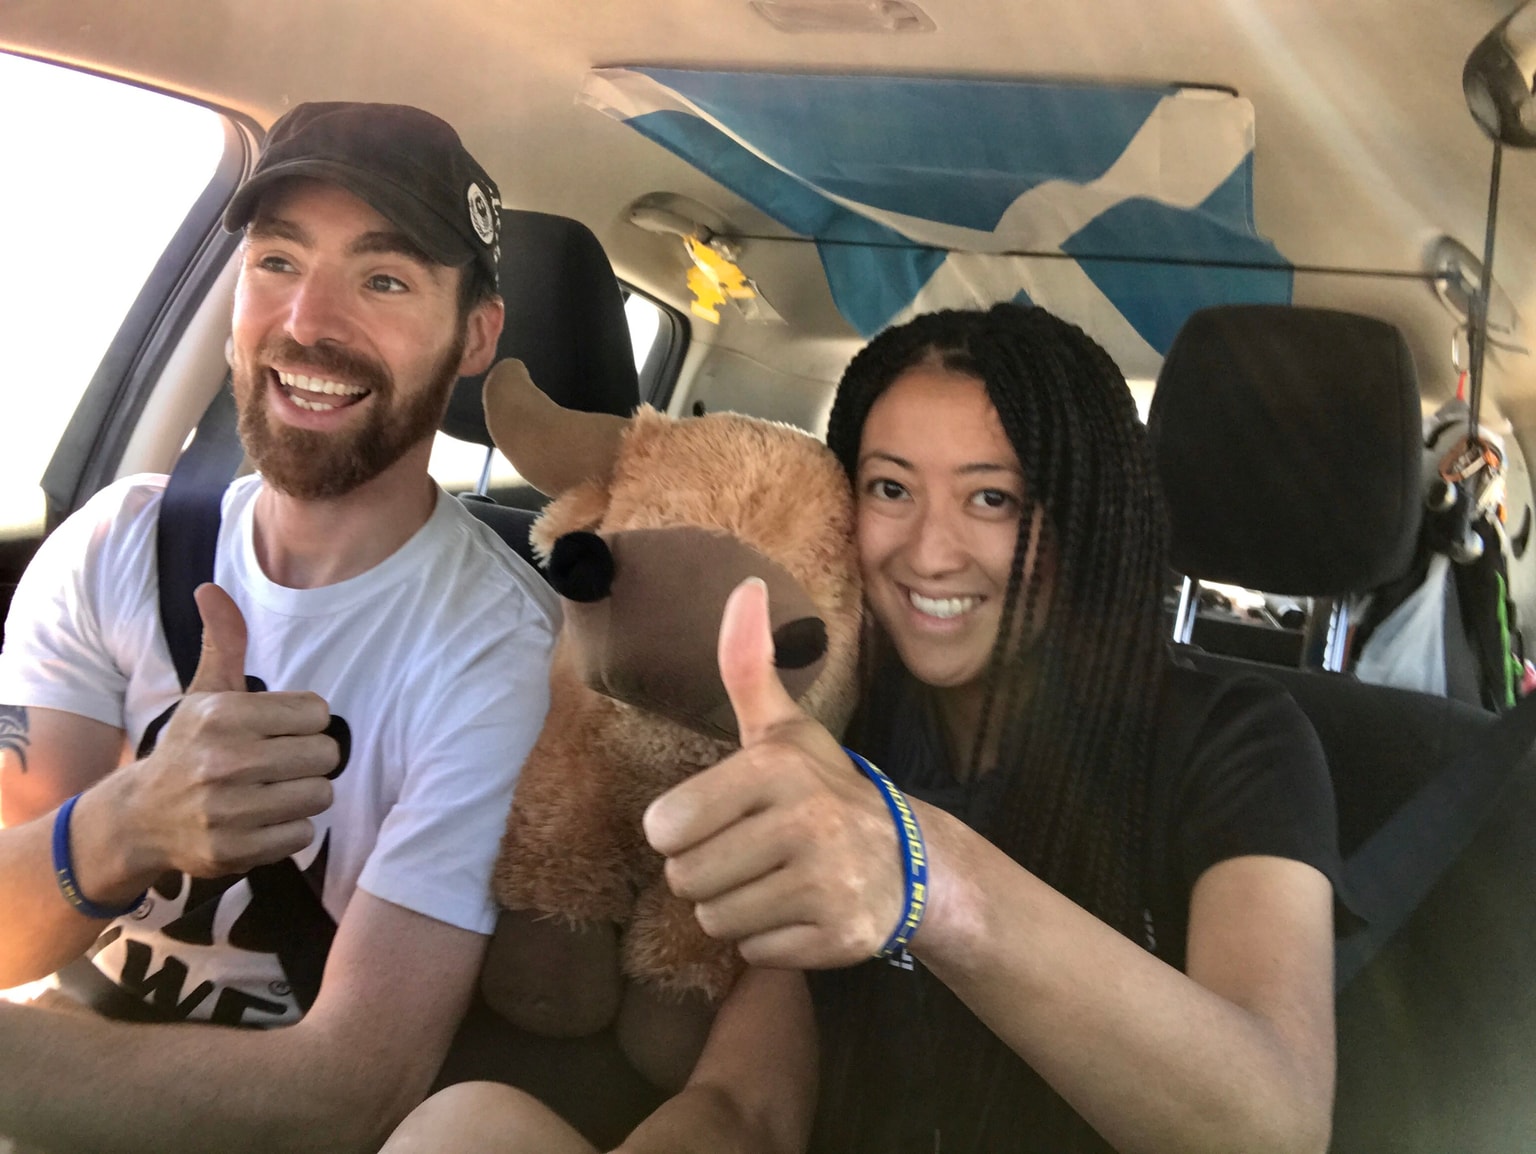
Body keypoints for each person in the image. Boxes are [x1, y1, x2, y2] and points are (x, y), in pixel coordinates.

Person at [641, 302, 1342, 1153]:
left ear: (1085, 518)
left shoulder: (1239, 740)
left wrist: (925, 873)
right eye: (890, 488)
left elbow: (1276, 1127)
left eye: (995, 498)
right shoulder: (840, 724)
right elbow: (743, 1105)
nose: (932, 553)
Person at [0, 102, 562, 1153]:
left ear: (476, 333)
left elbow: (348, 1086)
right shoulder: (117, 543)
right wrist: (125, 821)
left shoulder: (504, 651)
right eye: (276, 262)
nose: (307, 320)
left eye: (383, 279)